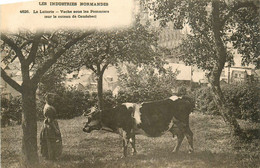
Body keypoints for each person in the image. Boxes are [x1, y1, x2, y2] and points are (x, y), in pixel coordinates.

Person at [40, 93, 62, 160]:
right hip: (50, 126)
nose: (53, 99)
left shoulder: (48, 106)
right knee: (52, 140)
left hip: (49, 125)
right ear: (47, 99)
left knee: (51, 140)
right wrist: (55, 129)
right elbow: (50, 120)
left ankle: (50, 156)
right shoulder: (48, 108)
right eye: (51, 98)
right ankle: (52, 156)